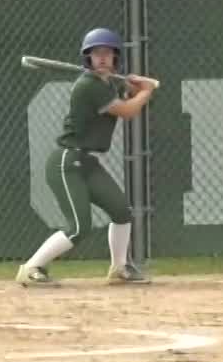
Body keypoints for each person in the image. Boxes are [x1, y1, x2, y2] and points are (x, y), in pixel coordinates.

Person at [15, 27, 158, 288]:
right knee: (80, 226)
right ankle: (32, 268)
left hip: (89, 163)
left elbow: (124, 89)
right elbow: (126, 111)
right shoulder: (89, 86)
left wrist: (134, 84)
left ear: (116, 58)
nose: (102, 58)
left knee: (121, 212)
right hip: (68, 162)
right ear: (88, 58)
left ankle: (119, 268)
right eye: (95, 53)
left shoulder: (108, 83)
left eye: (107, 53)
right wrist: (145, 92)